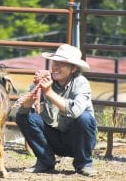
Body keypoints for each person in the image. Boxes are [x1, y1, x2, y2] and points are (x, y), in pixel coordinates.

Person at [15, 44, 97, 177]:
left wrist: (48, 92)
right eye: (55, 62)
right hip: (54, 137)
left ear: (74, 68)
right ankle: (45, 161)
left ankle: (84, 163)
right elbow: (22, 110)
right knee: (23, 116)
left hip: (78, 140)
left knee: (84, 118)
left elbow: (75, 111)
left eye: (62, 64)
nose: (56, 67)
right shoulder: (46, 80)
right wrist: (36, 89)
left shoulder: (81, 83)